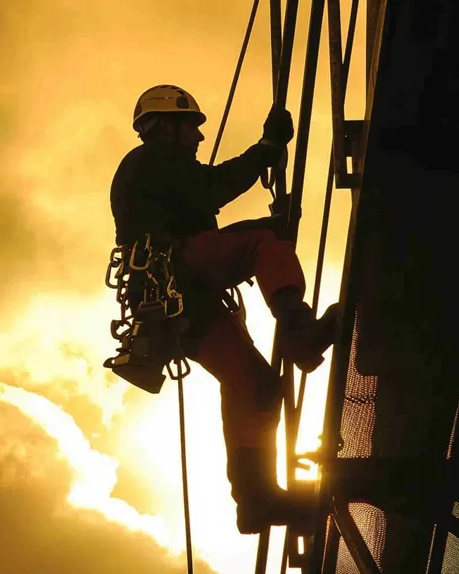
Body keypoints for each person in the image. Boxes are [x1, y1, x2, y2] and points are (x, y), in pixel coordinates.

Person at [109, 84, 343, 534]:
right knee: (263, 242)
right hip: (175, 273)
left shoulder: (156, 175)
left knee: (254, 385)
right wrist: (268, 149)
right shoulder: (150, 162)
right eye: (190, 128)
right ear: (163, 128)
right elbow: (211, 190)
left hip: (176, 299)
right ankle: (300, 331)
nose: (198, 138)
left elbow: (202, 209)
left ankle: (256, 501)